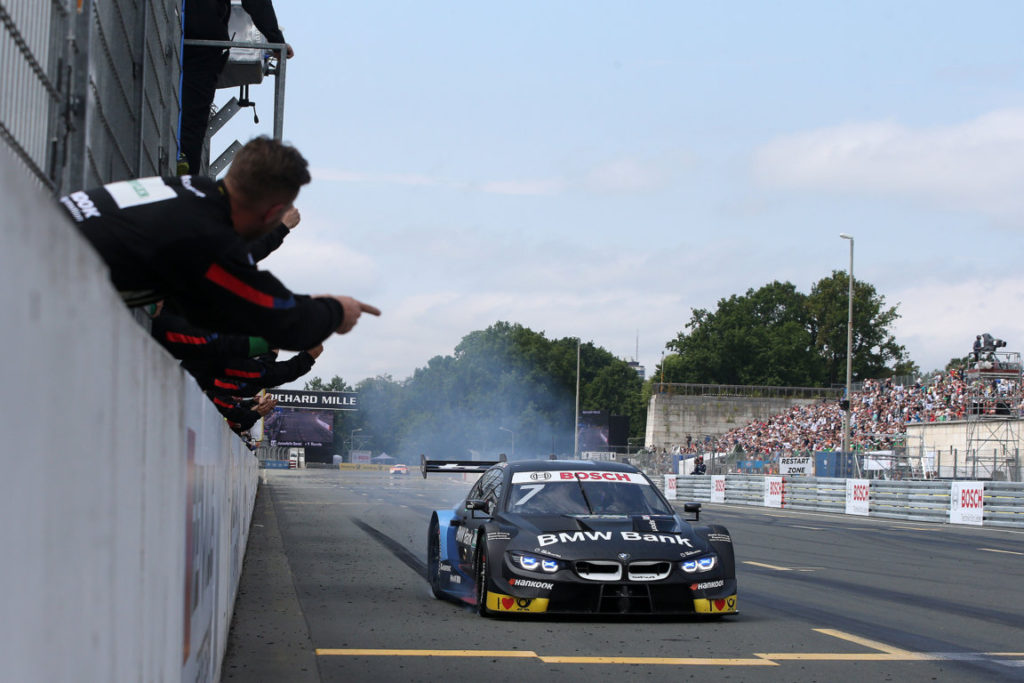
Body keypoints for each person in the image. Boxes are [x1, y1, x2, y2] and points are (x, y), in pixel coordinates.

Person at [59, 136, 380, 351]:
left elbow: (230, 279)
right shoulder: (204, 237)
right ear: (272, 212)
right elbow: (279, 321)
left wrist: (304, 302)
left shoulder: (192, 190)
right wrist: (336, 311)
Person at [180, 0, 294, 174]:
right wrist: (276, 40)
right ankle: (185, 180)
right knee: (192, 121)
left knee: (180, 111)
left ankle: (181, 166)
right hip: (203, 38)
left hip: (179, 28)